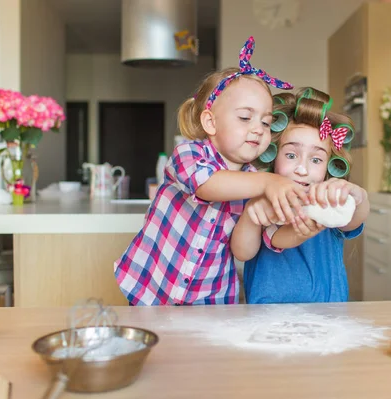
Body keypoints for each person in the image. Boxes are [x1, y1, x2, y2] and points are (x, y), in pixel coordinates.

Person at [114, 36, 309, 306]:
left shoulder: (257, 182)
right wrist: (266, 181)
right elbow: (207, 185)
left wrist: (305, 227)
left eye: (266, 122)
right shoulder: (188, 154)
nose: (258, 129)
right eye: (245, 117)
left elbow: (244, 251)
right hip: (151, 285)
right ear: (210, 121)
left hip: (208, 299)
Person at [231, 87, 369, 304]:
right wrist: (250, 215)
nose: (302, 169)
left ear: (328, 167)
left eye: (316, 160)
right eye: (291, 155)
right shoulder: (263, 200)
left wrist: (355, 195)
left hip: (328, 315)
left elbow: (354, 219)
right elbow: (243, 252)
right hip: (267, 315)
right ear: (274, 156)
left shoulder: (330, 201)